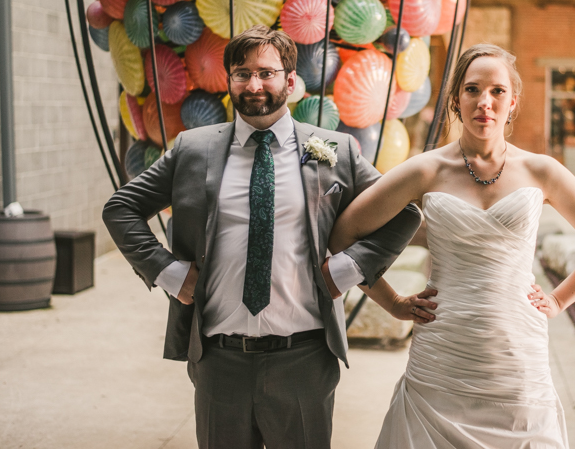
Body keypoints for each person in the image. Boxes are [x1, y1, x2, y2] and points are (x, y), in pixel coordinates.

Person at [102, 25, 437, 449]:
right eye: (241, 73)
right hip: (218, 360)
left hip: (305, 360)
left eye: (267, 72)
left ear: (291, 81)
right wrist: (168, 272)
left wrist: (348, 269)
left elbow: (403, 213)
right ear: (229, 82)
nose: (253, 83)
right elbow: (120, 208)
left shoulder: (336, 150)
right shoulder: (192, 149)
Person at [329, 44, 575, 448]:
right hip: (443, 355)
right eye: (472, 90)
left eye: (497, 91)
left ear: (512, 101)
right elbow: (344, 234)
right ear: (455, 100)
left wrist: (557, 301)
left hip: (517, 355)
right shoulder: (425, 169)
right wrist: (392, 302)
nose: (485, 102)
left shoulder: (541, 171)